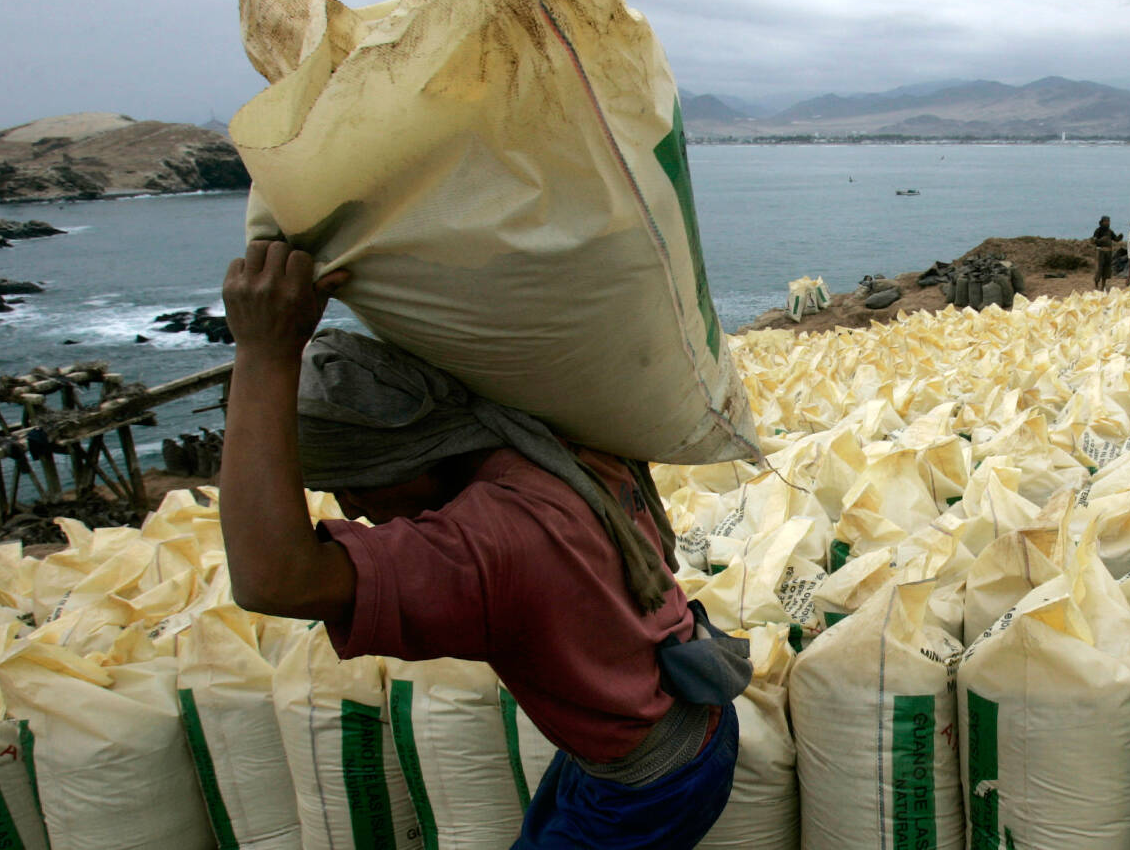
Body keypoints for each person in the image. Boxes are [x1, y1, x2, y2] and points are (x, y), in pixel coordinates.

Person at [218, 240, 744, 850]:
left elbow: (272, 579)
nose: (353, 510)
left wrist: (262, 353)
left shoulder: (494, 539)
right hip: (682, 715)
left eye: (353, 486)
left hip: (649, 783)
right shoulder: (549, 441)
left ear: (413, 455)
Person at [1091, 215, 1120, 291]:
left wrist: (1119, 237)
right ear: (1102, 222)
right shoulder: (1098, 230)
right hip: (1100, 251)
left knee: (1106, 269)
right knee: (1099, 269)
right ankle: (1096, 284)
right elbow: (1093, 241)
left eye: (1108, 221)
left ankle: (1103, 285)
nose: (1107, 223)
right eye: (1106, 221)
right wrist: (1101, 240)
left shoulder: (1110, 231)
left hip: (1108, 251)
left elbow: (1115, 239)